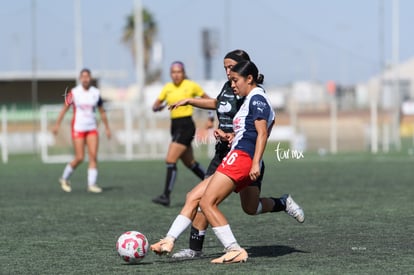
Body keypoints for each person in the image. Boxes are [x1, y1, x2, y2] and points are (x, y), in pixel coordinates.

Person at [150, 61, 303, 263]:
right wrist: (230, 136)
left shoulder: (257, 98)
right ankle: (169, 240)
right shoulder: (248, 98)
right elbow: (247, 132)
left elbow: (262, 133)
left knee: (205, 201)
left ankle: (234, 249)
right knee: (247, 207)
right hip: (239, 155)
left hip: (242, 158)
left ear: (249, 78)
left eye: (234, 80)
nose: (231, 84)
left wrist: (255, 161)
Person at [152, 61, 209, 206]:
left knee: (170, 160)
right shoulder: (168, 88)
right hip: (175, 126)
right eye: (173, 72)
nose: (176, 75)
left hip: (186, 126)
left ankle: (166, 196)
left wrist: (211, 118)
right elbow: (155, 105)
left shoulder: (191, 85)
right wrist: (158, 107)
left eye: (179, 72)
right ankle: (213, 184)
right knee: (190, 163)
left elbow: (209, 100)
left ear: (183, 73)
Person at [53, 68, 111, 193]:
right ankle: (64, 177)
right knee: (80, 157)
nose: (85, 79)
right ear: (80, 79)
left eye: (87, 76)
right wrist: (57, 124)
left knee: (93, 156)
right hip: (78, 128)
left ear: (90, 78)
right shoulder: (73, 93)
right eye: (83, 76)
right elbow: (64, 108)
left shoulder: (95, 93)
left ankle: (92, 184)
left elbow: (102, 111)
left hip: (91, 128)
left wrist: (107, 128)